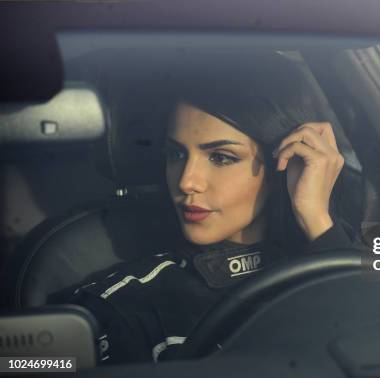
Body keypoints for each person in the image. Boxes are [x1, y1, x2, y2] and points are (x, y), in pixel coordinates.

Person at [48, 51, 361, 365]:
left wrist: (316, 219)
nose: (186, 182)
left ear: (285, 161)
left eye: (221, 157)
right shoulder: (122, 308)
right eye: (176, 154)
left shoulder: (343, 256)